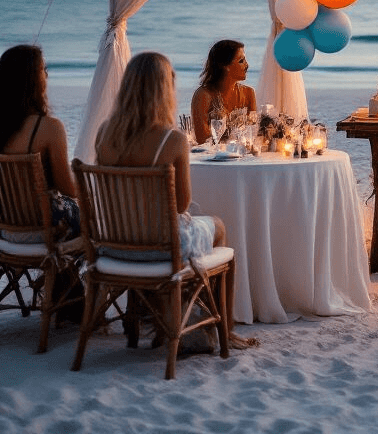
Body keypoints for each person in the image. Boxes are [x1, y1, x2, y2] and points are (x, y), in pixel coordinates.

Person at [94, 52, 257, 349]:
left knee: (190, 228)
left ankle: (170, 315)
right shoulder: (172, 140)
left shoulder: (105, 134)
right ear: (164, 89)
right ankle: (223, 329)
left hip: (113, 248)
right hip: (160, 251)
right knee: (218, 227)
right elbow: (181, 206)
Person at [0, 43, 80, 241]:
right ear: (33, 80)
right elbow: (67, 189)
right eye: (43, 69)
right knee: (93, 214)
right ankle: (64, 270)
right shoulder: (49, 128)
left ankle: (57, 272)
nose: (46, 75)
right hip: (42, 230)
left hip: (5, 231)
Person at [190, 40, 257, 145]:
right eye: (241, 61)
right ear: (225, 66)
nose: (247, 65)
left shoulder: (248, 93)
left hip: (241, 156)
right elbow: (202, 140)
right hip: (211, 158)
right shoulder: (204, 95)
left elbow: (252, 134)